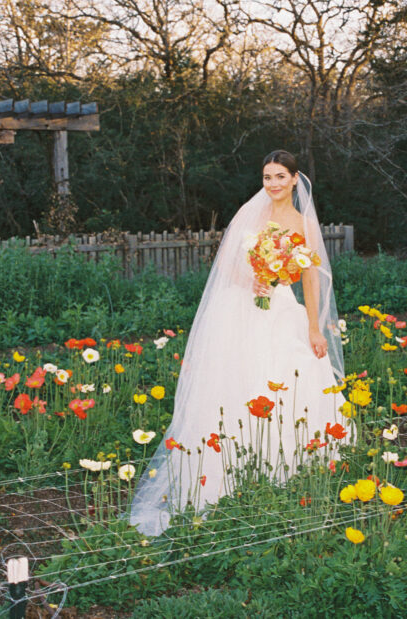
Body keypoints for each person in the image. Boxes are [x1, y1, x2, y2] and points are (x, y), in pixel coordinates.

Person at [129, 150, 347, 536]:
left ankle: (291, 470)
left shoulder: (302, 221)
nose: (274, 184)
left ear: (295, 179)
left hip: (281, 307)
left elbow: (310, 278)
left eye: (281, 176)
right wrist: (254, 280)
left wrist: (314, 327)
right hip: (242, 307)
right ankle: (225, 473)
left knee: (293, 374)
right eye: (267, 177)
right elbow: (229, 266)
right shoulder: (252, 215)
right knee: (236, 382)